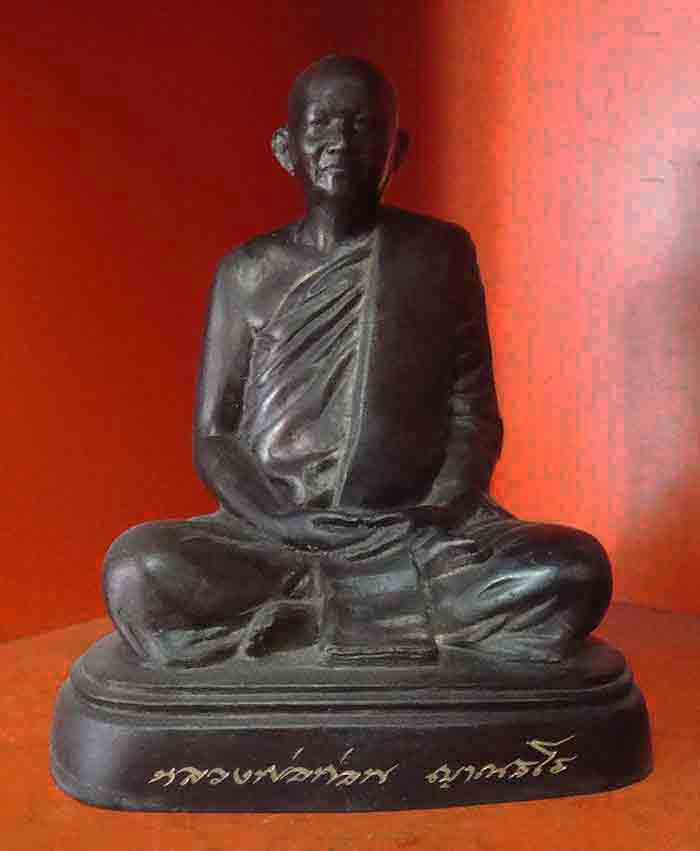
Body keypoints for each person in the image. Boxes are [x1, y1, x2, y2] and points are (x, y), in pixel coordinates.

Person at [104, 56, 611, 668]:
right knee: (137, 571)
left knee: (575, 569)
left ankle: (311, 618)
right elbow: (216, 437)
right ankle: (347, 606)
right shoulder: (247, 272)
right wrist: (285, 522)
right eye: (321, 125)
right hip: (279, 541)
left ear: (397, 148)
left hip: (413, 534)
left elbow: (473, 413)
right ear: (286, 148)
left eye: (364, 126)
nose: (340, 143)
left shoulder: (440, 255)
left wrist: (441, 508)